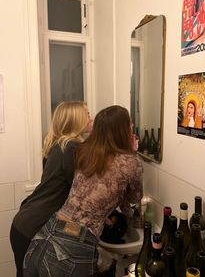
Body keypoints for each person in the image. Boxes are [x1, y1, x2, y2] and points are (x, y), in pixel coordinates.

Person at [23, 105, 143, 277]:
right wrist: (133, 154)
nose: (132, 127)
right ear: (123, 130)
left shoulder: (85, 152)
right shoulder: (130, 163)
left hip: (45, 235)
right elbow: (133, 200)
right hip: (72, 247)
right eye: (130, 124)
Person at [10, 100, 93, 277]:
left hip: (24, 222)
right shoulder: (71, 147)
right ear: (76, 119)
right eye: (86, 114)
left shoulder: (60, 144)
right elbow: (81, 192)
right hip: (33, 225)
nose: (90, 117)